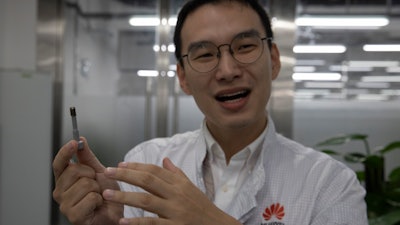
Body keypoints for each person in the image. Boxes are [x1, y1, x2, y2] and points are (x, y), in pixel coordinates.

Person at [52, 0, 368, 224]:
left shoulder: (329, 183)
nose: (228, 70)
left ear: (273, 59)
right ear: (183, 77)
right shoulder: (146, 162)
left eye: (245, 47)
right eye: (204, 54)